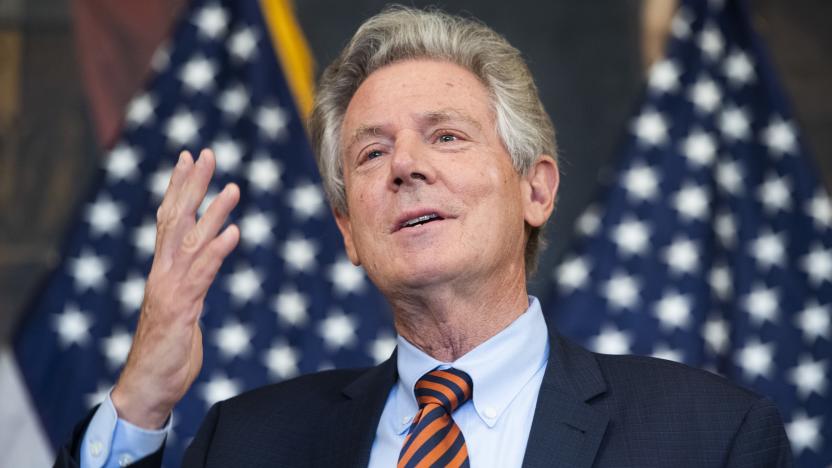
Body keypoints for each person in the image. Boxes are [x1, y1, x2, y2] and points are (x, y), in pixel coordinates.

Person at [57, 6, 793, 468]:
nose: (405, 166)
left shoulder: (708, 437)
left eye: (445, 136)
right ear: (349, 231)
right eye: (371, 154)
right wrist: (142, 402)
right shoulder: (249, 444)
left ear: (536, 188)